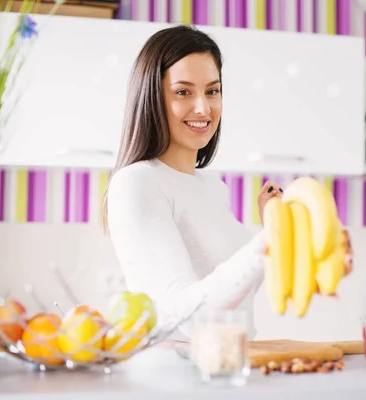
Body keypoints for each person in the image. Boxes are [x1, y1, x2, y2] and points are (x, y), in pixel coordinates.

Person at [104, 25, 283, 341]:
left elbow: (236, 298)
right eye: (183, 91)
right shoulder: (136, 182)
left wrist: (275, 230)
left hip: (229, 372)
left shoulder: (213, 187)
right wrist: (266, 242)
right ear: (152, 97)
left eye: (212, 91)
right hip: (175, 381)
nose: (204, 108)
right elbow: (183, 315)